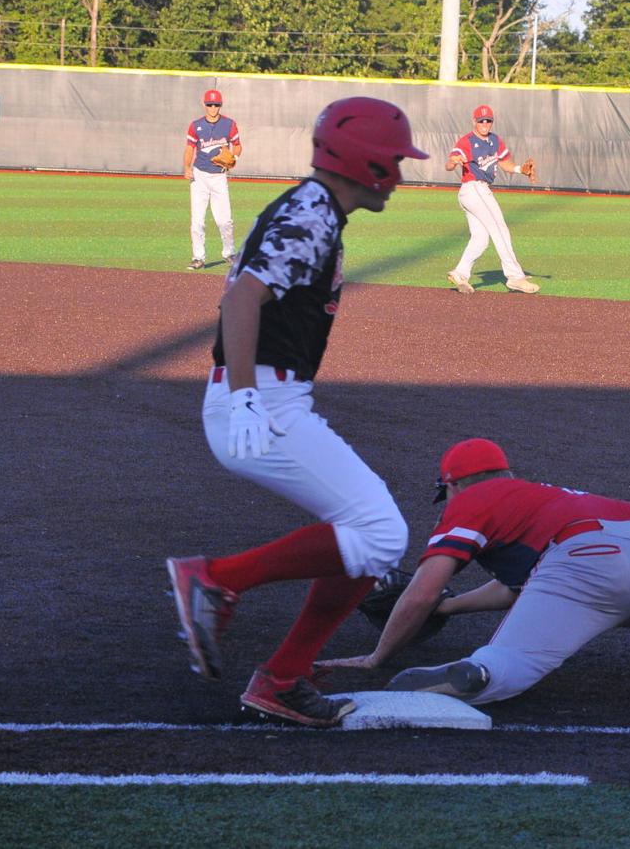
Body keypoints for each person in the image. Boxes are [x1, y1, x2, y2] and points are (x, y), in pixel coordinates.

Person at [166, 97, 428, 727]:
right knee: (383, 533)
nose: (398, 171)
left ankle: (283, 677)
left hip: (268, 394)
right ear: (365, 160)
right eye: (393, 159)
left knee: (368, 534)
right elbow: (241, 301)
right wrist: (247, 394)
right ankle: (216, 578)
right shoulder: (312, 212)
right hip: (261, 399)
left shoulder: (314, 210)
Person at [316, 438, 630, 704]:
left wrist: (379, 655)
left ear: (452, 485)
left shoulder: (471, 502)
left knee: (520, 656)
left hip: (587, 560)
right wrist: (449, 608)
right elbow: (525, 587)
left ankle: (479, 674)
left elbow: (418, 594)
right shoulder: (542, 495)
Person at [444, 104, 540, 295]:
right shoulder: (467, 141)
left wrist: (520, 169)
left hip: (475, 192)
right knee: (500, 228)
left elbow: (504, 163)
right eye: (481, 121)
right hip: (474, 188)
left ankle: (460, 273)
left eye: (488, 121)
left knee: (480, 239)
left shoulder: (495, 140)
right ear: (474, 122)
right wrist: (453, 162)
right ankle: (515, 277)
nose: (485, 124)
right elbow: (449, 163)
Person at [183, 89, 242, 270]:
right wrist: (187, 167)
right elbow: (190, 148)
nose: (213, 108)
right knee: (197, 220)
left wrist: (233, 159)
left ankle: (229, 252)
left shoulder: (229, 124)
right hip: (200, 175)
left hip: (219, 176)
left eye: (216, 104)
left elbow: (238, 146)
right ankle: (198, 257)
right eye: (210, 104)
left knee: (224, 220)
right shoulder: (196, 125)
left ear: (220, 105)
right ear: (205, 105)